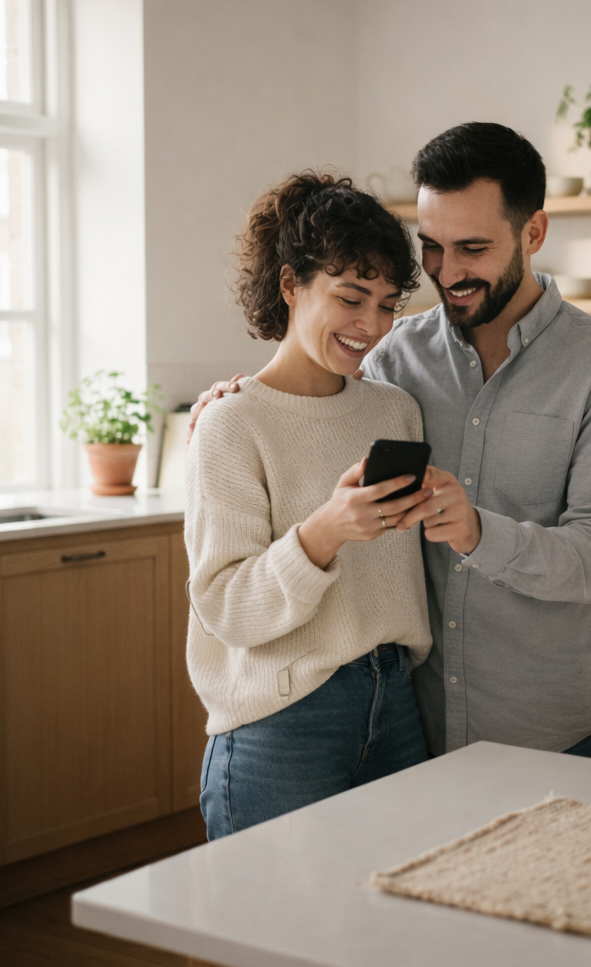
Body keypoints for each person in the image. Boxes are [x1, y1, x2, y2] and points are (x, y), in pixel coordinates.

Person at [190, 124, 591, 761]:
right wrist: (230, 404)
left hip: (547, 728)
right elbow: (311, 391)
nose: (448, 271)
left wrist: (479, 532)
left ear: (534, 233)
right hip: (414, 733)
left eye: (473, 248)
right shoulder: (392, 356)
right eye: (432, 246)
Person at [186, 172, 434, 853]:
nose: (372, 326)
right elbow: (225, 607)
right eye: (351, 298)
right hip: (283, 724)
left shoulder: (396, 412)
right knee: (279, 921)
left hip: (397, 707)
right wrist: (324, 532)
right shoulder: (231, 424)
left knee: (396, 914)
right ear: (290, 285)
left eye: (387, 305)